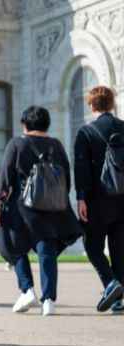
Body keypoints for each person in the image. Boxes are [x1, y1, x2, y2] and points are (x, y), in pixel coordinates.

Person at [0, 106, 82, 316]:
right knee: (47, 253)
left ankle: (27, 290)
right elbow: (66, 179)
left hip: (20, 208)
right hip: (50, 209)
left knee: (13, 247)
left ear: (25, 123)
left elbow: (5, 179)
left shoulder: (16, 144)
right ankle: (49, 300)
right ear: (46, 124)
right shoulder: (57, 145)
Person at [73, 85, 124, 313]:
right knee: (119, 249)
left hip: (97, 199)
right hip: (122, 199)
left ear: (92, 105)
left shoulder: (86, 132)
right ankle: (118, 300)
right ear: (111, 104)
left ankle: (110, 283)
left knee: (92, 246)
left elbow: (81, 167)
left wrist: (81, 198)